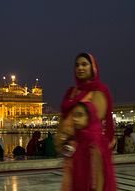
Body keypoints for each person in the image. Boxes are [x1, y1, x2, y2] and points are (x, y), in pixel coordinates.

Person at [55, 53, 115, 191]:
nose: (80, 68)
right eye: (77, 65)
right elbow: (64, 119)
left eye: (84, 64)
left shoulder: (99, 91)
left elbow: (95, 122)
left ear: (93, 67)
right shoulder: (72, 92)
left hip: (91, 150)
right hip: (73, 151)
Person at [71, 102, 116, 191]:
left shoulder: (93, 141)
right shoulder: (82, 139)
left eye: (80, 115)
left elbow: (100, 177)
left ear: (90, 117)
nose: (75, 119)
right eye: (74, 115)